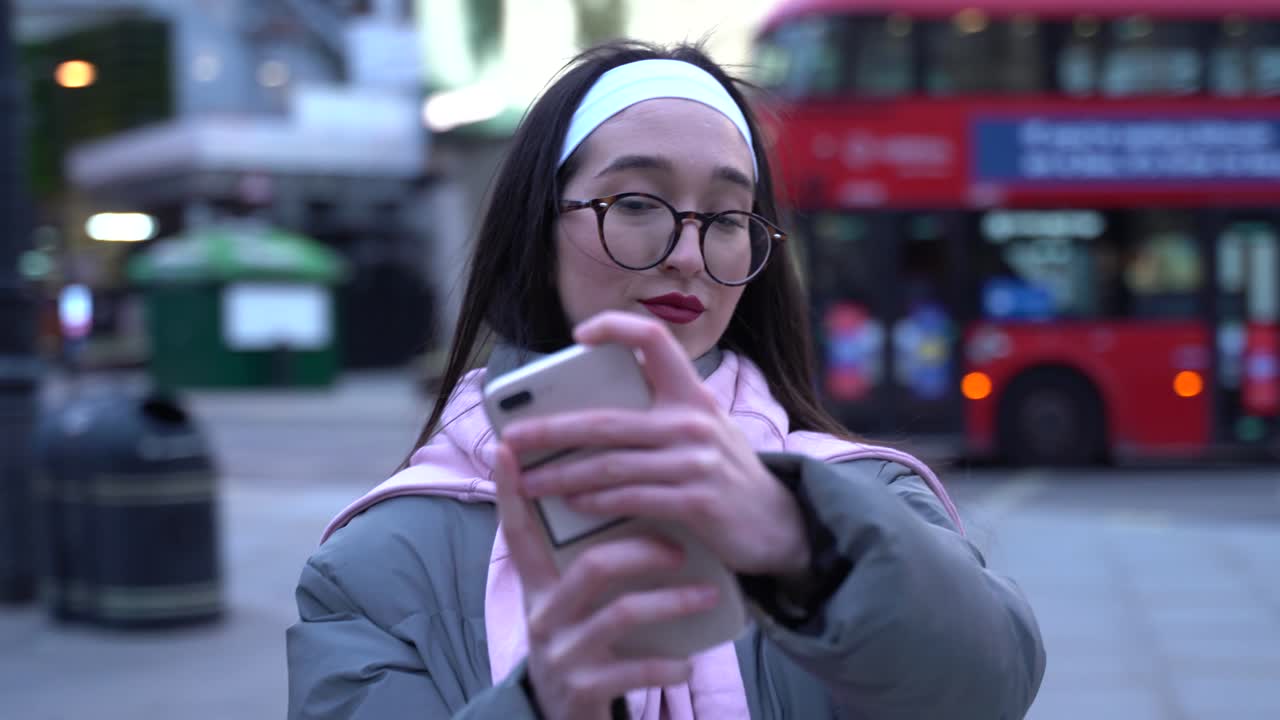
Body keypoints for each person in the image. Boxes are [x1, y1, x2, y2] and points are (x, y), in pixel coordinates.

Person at [286, 40, 1045, 719]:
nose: (687, 254)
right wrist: (541, 705)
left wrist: (799, 544)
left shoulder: (862, 497)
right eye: (637, 203)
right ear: (538, 230)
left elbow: (992, 688)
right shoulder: (383, 559)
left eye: (727, 218)